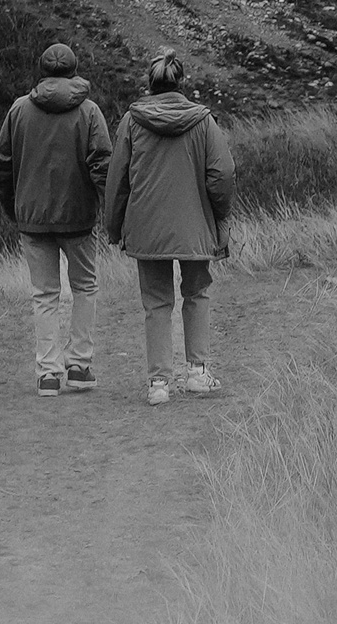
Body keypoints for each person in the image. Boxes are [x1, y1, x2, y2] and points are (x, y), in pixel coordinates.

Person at [102, 48, 235, 405]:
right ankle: (198, 373)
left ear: (150, 83)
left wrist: (114, 226)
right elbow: (222, 174)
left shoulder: (131, 121)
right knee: (197, 292)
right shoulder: (204, 122)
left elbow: (117, 181)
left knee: (157, 303)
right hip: (195, 225)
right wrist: (219, 215)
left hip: (147, 227)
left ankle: (158, 383)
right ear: (181, 82)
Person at [0, 40, 112, 396]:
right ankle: (79, 366)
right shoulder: (89, 111)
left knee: (44, 295)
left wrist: (14, 207)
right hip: (78, 218)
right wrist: (110, 208)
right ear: (74, 71)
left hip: (32, 218)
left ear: (42, 72)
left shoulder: (18, 110)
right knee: (84, 287)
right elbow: (102, 166)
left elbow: (2, 164)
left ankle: (48, 374)